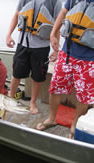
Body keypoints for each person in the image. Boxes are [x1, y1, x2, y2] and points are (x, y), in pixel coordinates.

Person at [36, 0, 94, 139]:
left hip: (89, 59)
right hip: (66, 53)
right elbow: (63, 13)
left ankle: (74, 125)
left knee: (83, 97)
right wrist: (53, 33)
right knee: (55, 87)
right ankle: (51, 118)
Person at [6, 0, 62, 114]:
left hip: (42, 47)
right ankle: (10, 98)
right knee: (17, 73)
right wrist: (8, 35)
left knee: (38, 76)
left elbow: (57, 25)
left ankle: (32, 102)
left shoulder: (56, 2)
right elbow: (16, 15)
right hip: (23, 44)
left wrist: (56, 50)